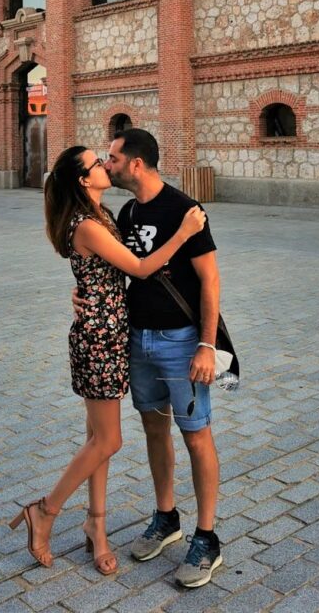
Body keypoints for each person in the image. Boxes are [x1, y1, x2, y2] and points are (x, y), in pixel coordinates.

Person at [10, 144, 206, 576]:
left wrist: (82, 293)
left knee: (97, 439)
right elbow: (138, 268)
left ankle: (96, 528)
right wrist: (184, 232)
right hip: (99, 339)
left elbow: (97, 275)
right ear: (83, 180)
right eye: (96, 163)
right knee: (108, 441)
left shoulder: (103, 216)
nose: (103, 164)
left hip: (113, 333)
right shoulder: (87, 225)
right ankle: (45, 510)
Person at [74, 128, 224, 589]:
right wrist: (81, 298)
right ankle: (166, 517)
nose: (108, 163)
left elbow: (210, 281)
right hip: (136, 340)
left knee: (196, 435)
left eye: (114, 157)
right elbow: (115, 269)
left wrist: (206, 344)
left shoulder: (185, 210)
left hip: (182, 342)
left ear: (136, 163)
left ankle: (206, 537)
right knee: (154, 429)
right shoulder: (127, 211)